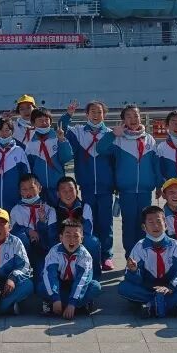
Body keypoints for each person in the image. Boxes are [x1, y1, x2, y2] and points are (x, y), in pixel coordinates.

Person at [59, 99, 117, 270]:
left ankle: (106, 255)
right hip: (87, 186)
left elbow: (115, 161)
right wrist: (68, 114)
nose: (96, 115)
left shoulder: (111, 134)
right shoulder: (78, 132)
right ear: (86, 114)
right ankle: (92, 254)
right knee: (89, 221)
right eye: (93, 112)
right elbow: (61, 128)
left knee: (106, 222)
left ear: (104, 115)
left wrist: (115, 184)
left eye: (99, 112)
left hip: (106, 187)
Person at [117, 205, 177, 318]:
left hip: (170, 287)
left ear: (165, 225)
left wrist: (171, 287)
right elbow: (132, 278)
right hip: (148, 288)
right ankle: (168, 304)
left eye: (159, 221)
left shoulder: (175, 245)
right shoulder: (139, 247)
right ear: (144, 227)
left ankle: (152, 305)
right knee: (124, 287)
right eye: (150, 222)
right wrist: (134, 271)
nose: (156, 226)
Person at [112, 104, 161, 258]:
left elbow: (156, 164)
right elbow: (101, 149)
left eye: (136, 116)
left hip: (145, 191)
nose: (133, 119)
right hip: (126, 191)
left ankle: (143, 255)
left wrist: (159, 185)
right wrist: (112, 135)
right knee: (128, 224)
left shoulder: (149, 139)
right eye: (129, 116)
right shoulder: (119, 139)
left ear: (141, 118)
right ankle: (130, 256)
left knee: (145, 224)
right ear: (123, 120)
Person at [40, 218, 100, 318]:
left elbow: (82, 281)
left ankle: (68, 306)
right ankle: (73, 307)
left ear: (82, 239)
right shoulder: (54, 252)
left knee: (95, 287)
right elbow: (50, 275)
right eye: (67, 235)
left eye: (76, 236)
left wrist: (72, 302)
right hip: (60, 287)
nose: (72, 239)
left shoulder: (85, 256)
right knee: (41, 286)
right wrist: (55, 298)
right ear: (61, 238)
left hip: (76, 288)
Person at [51, 176, 102, 270]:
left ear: (77, 191)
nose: (68, 194)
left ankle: (94, 273)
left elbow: (87, 231)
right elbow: (52, 232)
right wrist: (65, 242)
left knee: (93, 242)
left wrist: (74, 241)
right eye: (64, 191)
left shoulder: (85, 207)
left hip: (79, 240)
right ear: (58, 194)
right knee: (51, 244)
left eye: (71, 190)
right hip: (61, 241)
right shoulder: (53, 210)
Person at [23, 108, 72, 205]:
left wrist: (62, 140)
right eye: (40, 120)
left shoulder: (57, 137)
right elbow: (29, 168)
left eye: (47, 120)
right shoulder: (30, 143)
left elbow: (66, 158)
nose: (44, 122)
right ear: (33, 123)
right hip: (39, 190)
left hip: (57, 187)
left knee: (59, 212)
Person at [10, 173, 56, 270]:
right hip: (23, 252)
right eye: (24, 189)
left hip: (44, 251)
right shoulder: (16, 210)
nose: (28, 192)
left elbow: (51, 235)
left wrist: (42, 221)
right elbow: (14, 232)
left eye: (32, 188)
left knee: (42, 272)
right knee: (21, 237)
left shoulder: (49, 209)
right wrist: (28, 231)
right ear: (20, 192)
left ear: (39, 188)